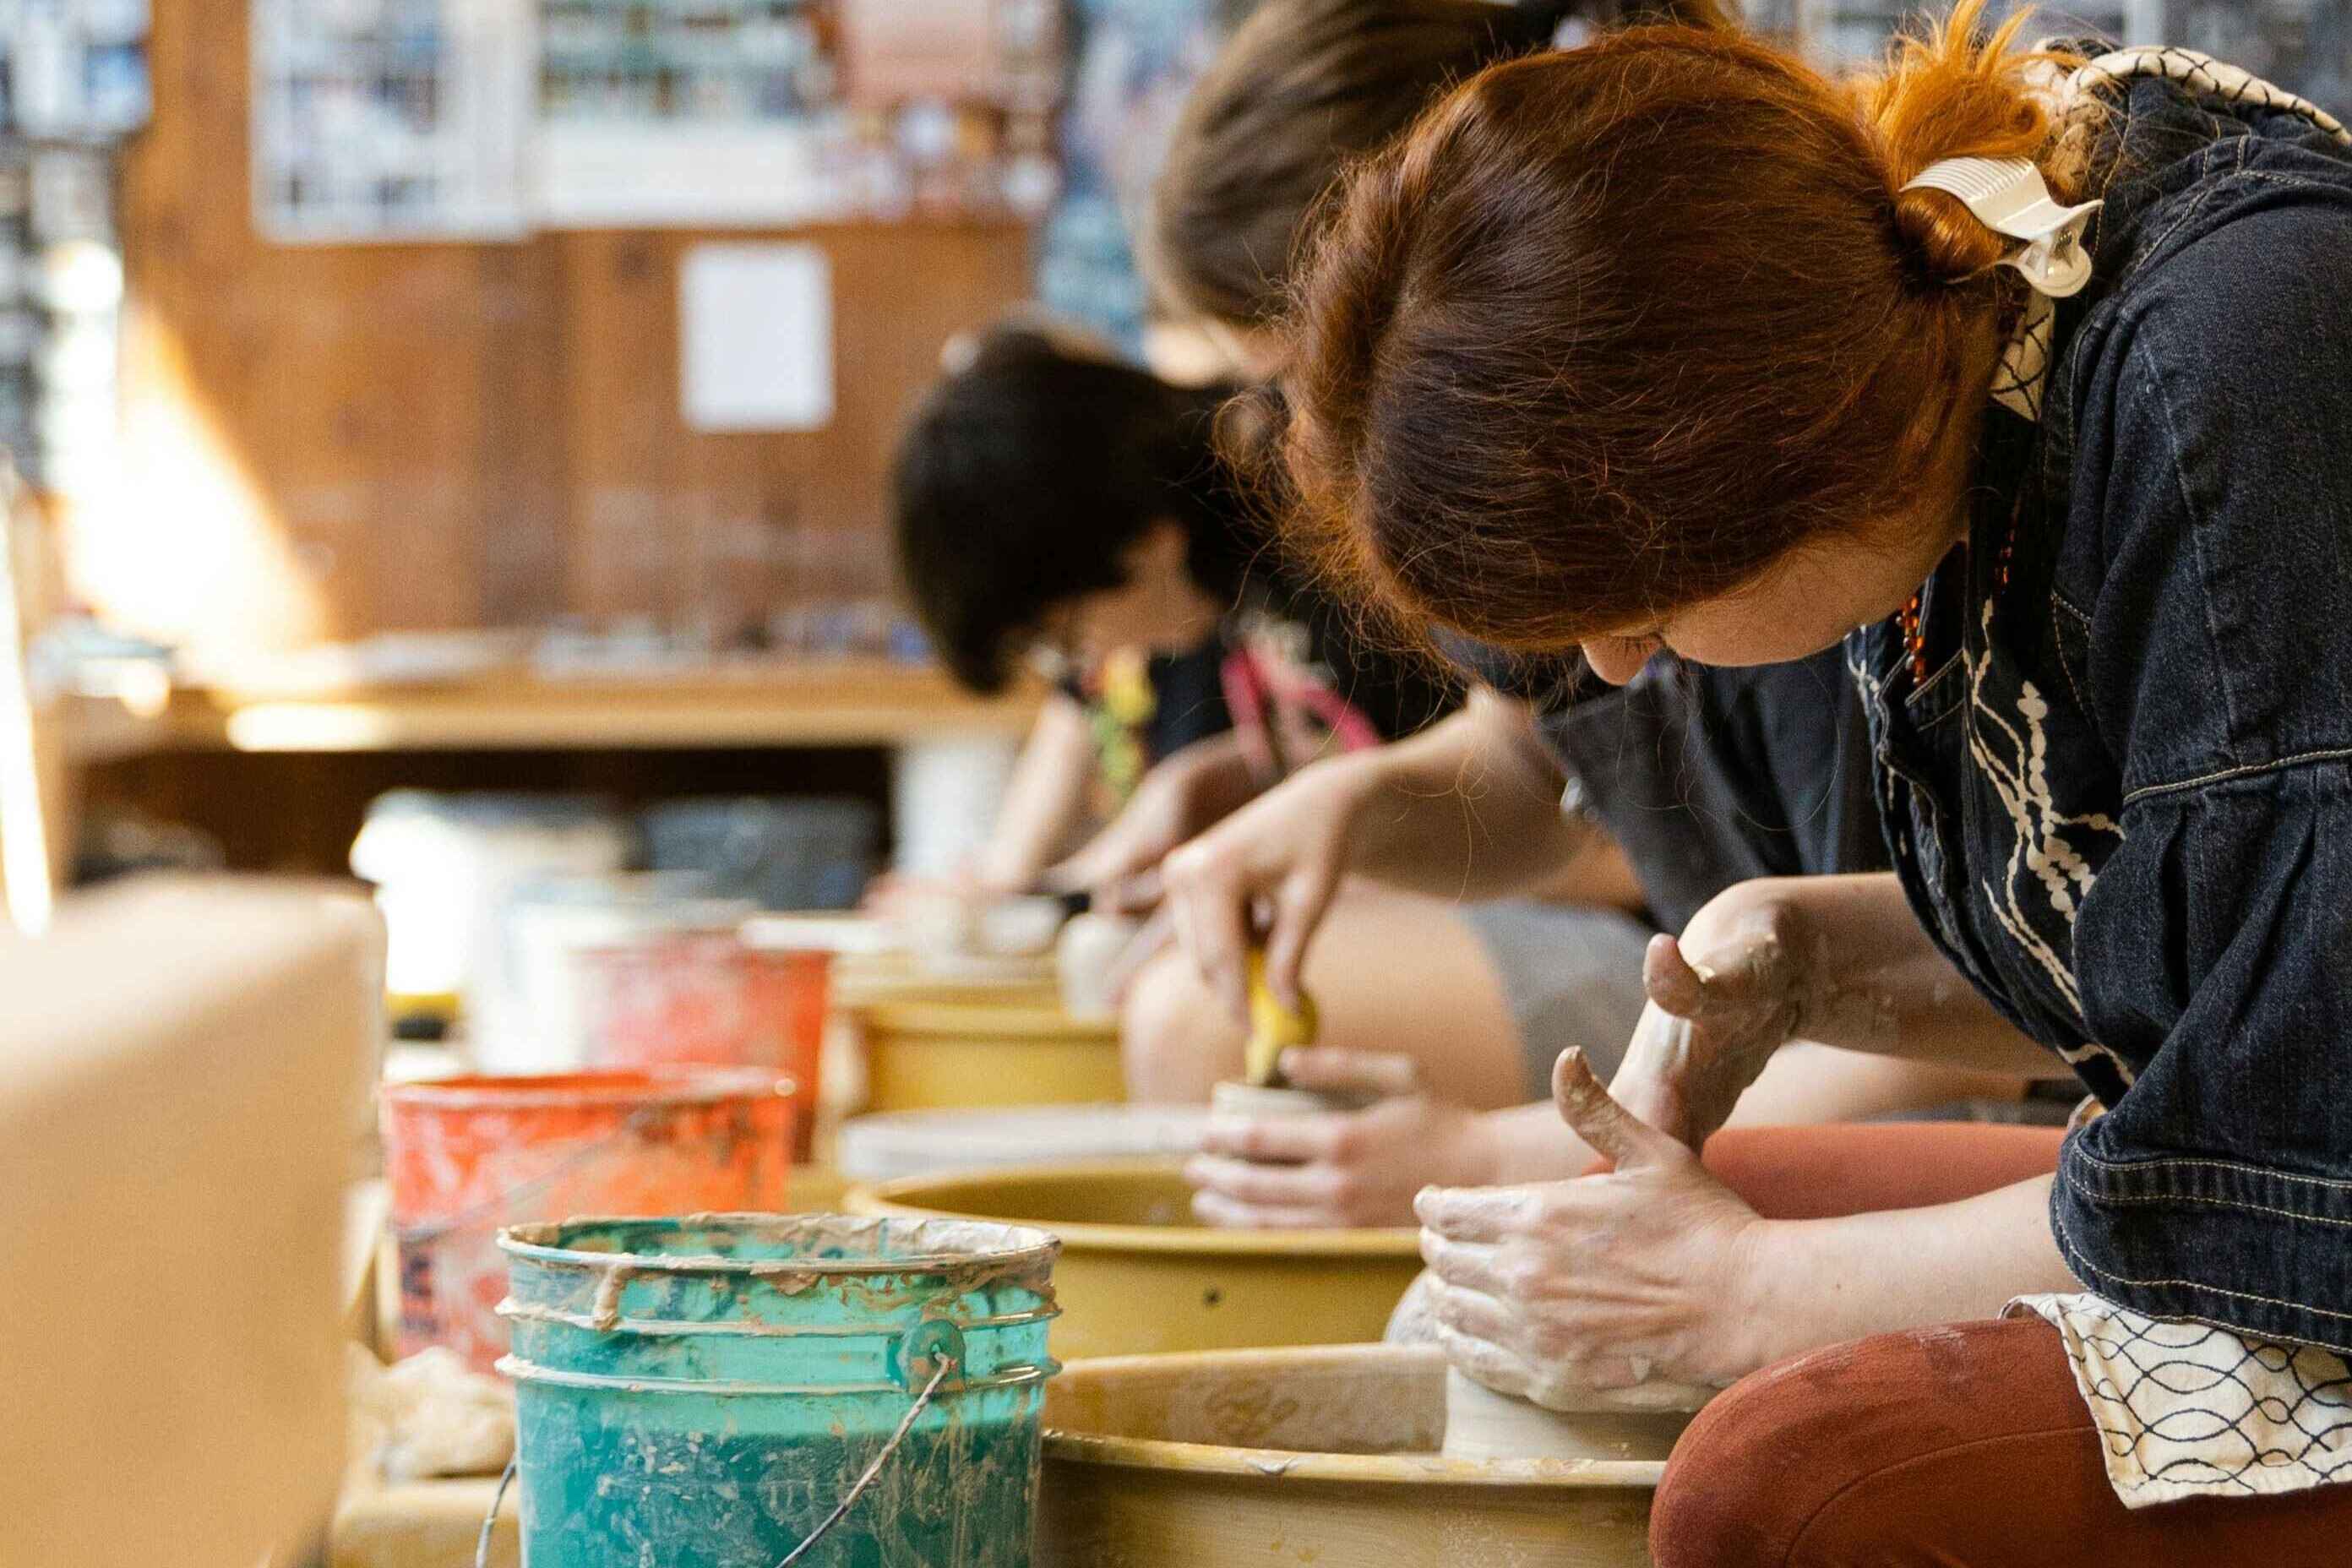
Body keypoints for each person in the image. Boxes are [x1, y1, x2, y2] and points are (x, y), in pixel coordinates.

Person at [1270, 2, 2352, 1558]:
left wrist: (1734, 1291)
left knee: (1783, 1487)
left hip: (2304, 1226)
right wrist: (1808, 953)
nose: (1623, 664)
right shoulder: (1945, 380)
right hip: (2268, 1189)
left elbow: (2287, 1158)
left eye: (1632, 602)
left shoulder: (2229, 360)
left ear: (1774, 450)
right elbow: (2216, 964)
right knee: (1478, 1304)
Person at [1149, 0, 2048, 1229]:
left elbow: (1987, 1004)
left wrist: (1485, 1154)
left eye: (1307, 373)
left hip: (1987, 1113)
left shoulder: (1800, 477)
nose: (1313, 428)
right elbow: (1539, 754)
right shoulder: (1520, 485)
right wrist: (1352, 810)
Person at [890, 323, 1656, 1111]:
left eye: (1060, 639)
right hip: (1508, 916)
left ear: (1144, 543)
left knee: (1187, 1021)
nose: (1085, 667)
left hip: (1645, 938)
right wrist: (1225, 789)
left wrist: (1350, 859)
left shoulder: (1339, 527)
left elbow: (1606, 831)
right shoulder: (1237, 578)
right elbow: (1379, 747)